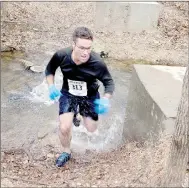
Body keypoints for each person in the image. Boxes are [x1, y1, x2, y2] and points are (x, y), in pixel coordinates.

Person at [45, 27, 115, 167]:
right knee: (64, 127)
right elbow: (49, 70)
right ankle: (66, 152)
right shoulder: (61, 55)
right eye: (82, 48)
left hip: (89, 96)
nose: (85, 52)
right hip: (68, 94)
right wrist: (51, 86)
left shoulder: (97, 63)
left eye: (88, 48)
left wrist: (106, 99)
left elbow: (109, 82)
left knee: (91, 129)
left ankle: (78, 115)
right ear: (73, 45)